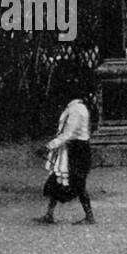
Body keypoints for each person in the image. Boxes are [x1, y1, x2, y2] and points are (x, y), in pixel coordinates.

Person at [37, 85, 95, 225]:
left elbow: (67, 134)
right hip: (75, 148)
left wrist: (48, 146)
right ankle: (49, 214)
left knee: (76, 183)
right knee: (58, 179)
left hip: (76, 149)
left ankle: (89, 216)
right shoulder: (77, 108)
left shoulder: (75, 110)